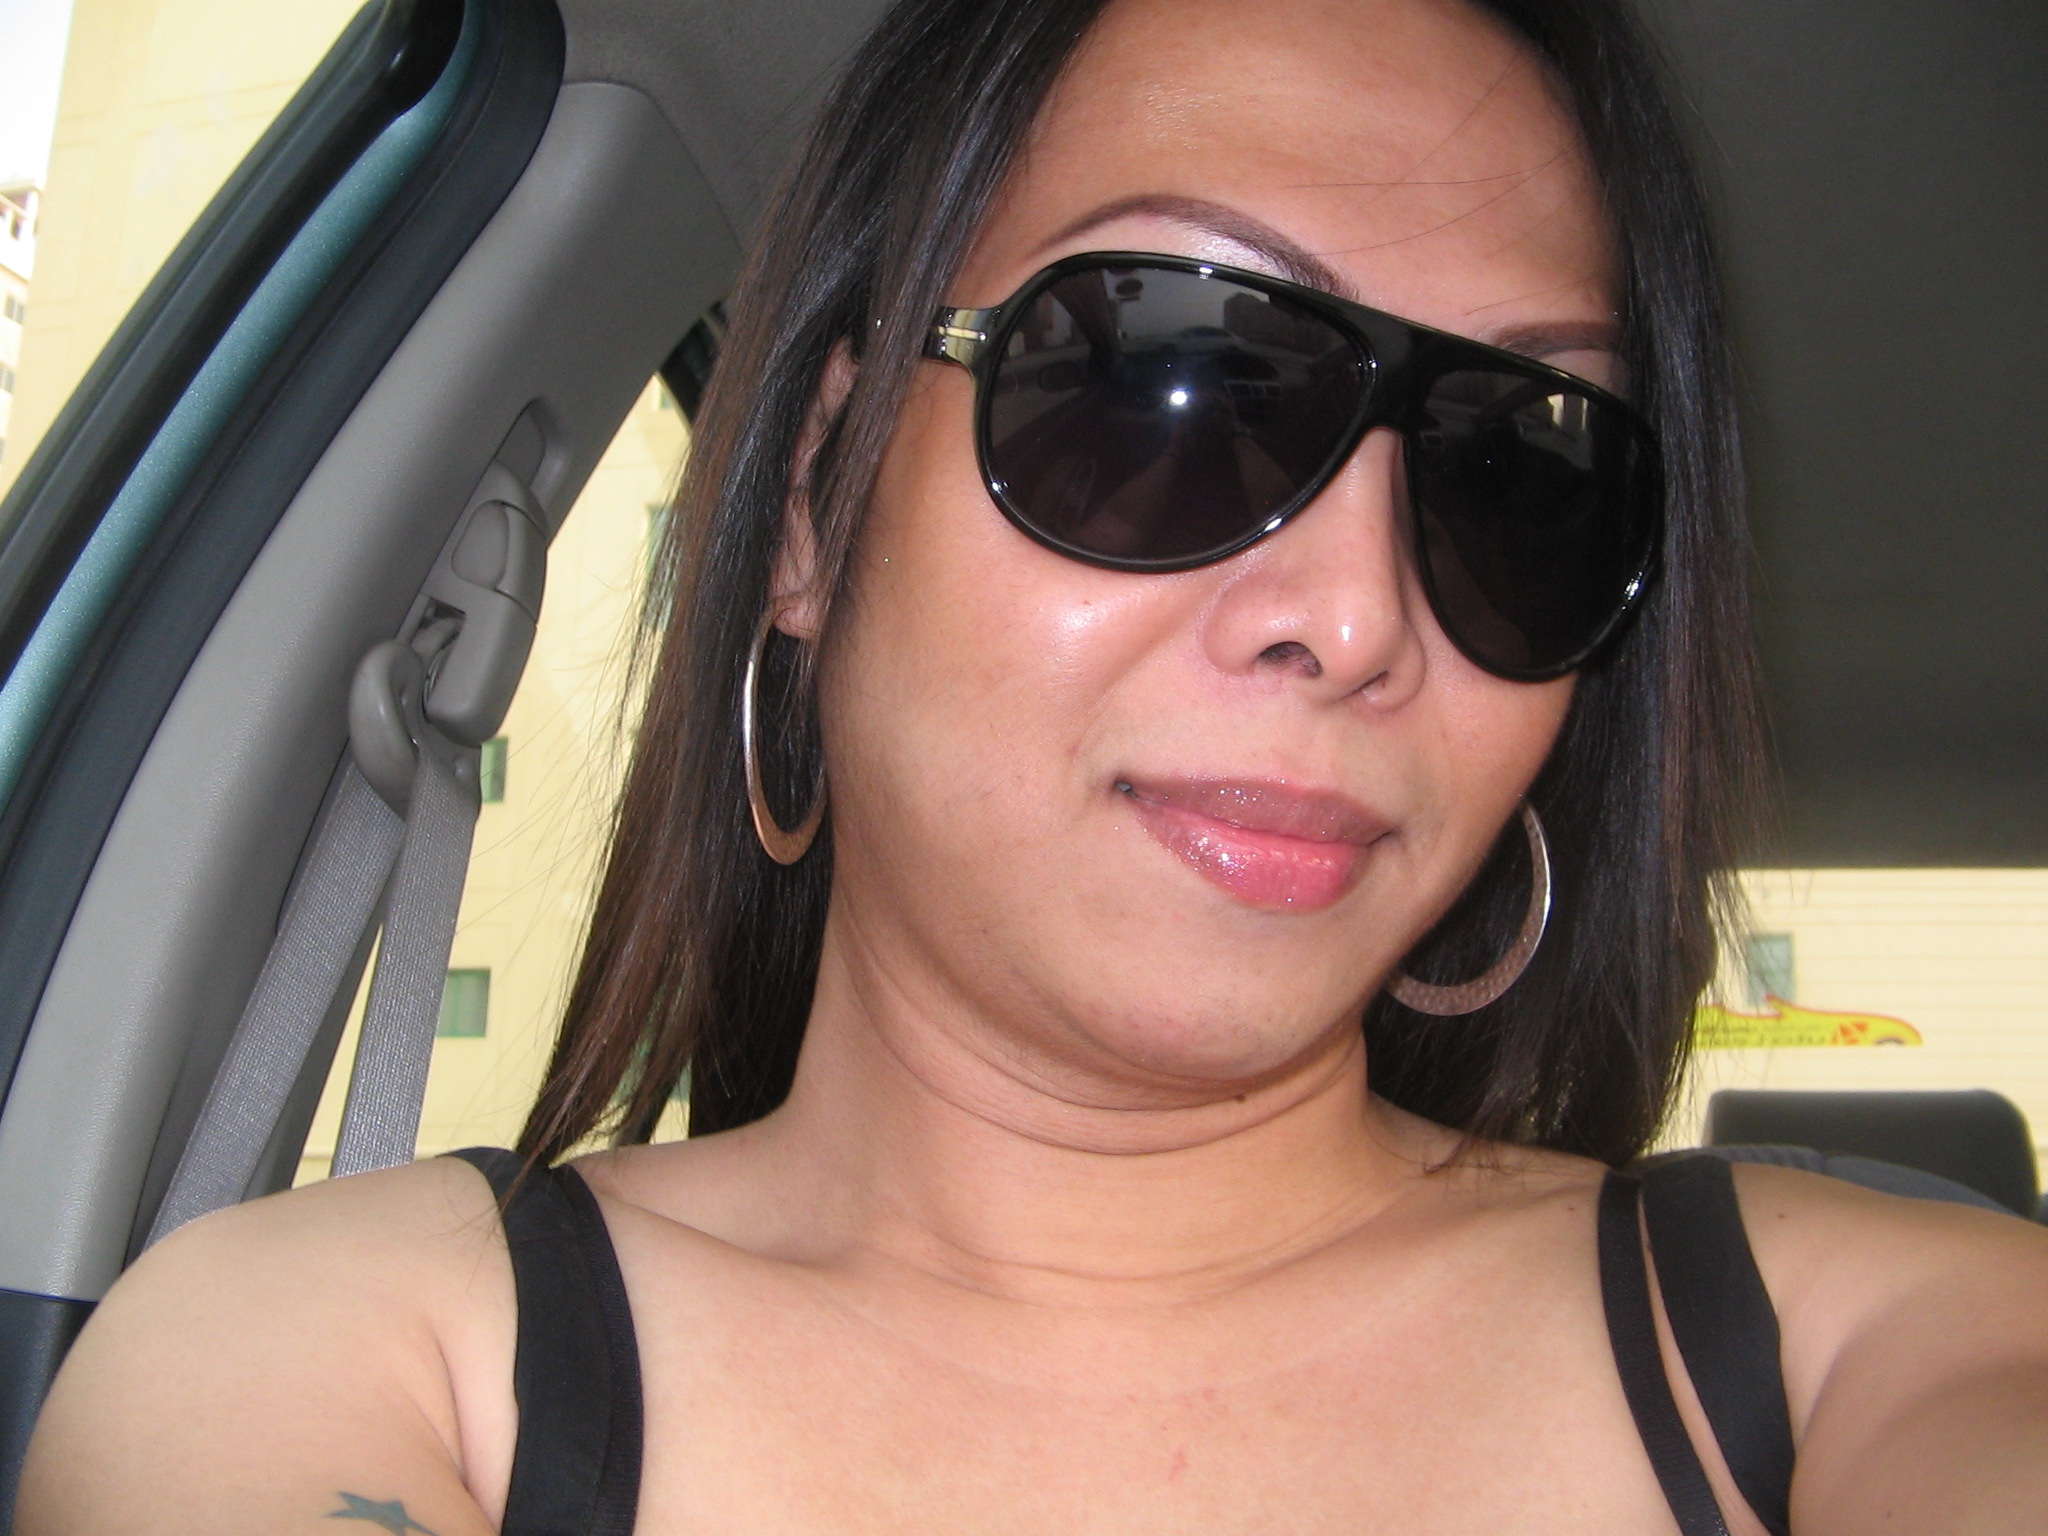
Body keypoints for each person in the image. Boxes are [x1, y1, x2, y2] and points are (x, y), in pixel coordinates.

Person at [22, 0, 2048, 1531]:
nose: (1356, 615)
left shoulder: (1889, 1351)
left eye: (1519, 473)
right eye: (1173, 381)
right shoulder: (342, 1366)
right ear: (817, 501)